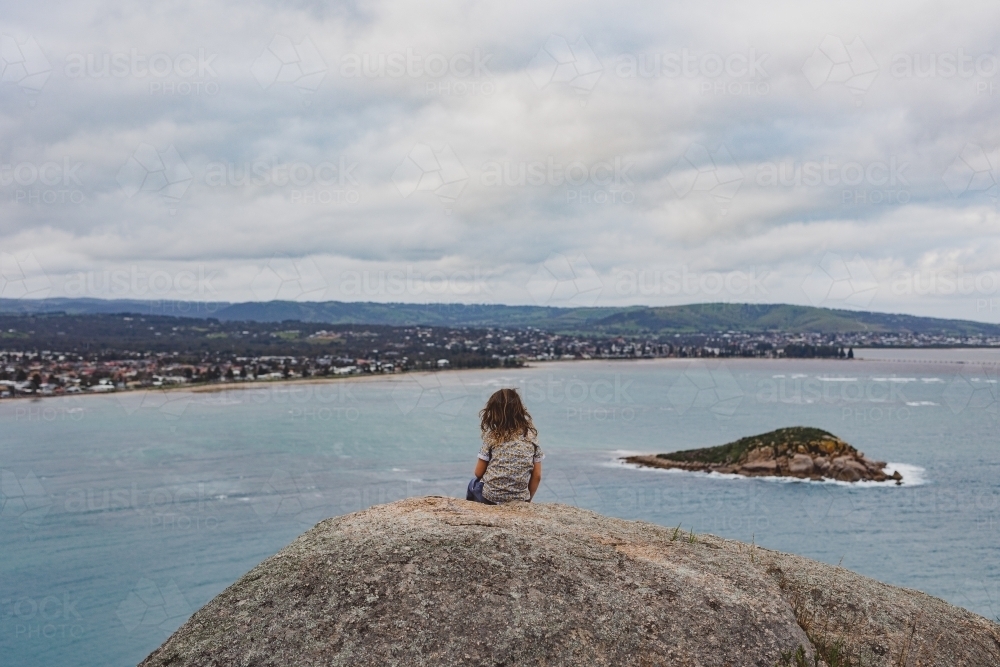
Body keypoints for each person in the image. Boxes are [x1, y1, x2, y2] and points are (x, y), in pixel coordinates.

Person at [467, 388, 543, 504]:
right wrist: (527, 501)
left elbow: (478, 472)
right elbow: (537, 476)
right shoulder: (530, 437)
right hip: (519, 499)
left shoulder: (493, 436)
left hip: (490, 498)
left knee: (473, 483)